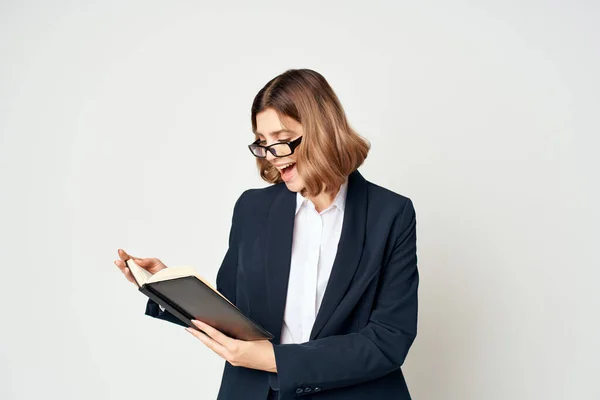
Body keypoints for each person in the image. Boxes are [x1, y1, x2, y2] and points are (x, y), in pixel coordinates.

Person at [114, 68, 418, 400]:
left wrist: (277, 360)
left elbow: (389, 339)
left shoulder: (391, 214)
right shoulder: (252, 208)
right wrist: (169, 288)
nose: (273, 156)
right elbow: (233, 314)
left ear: (323, 131)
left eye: (282, 139)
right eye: (263, 143)